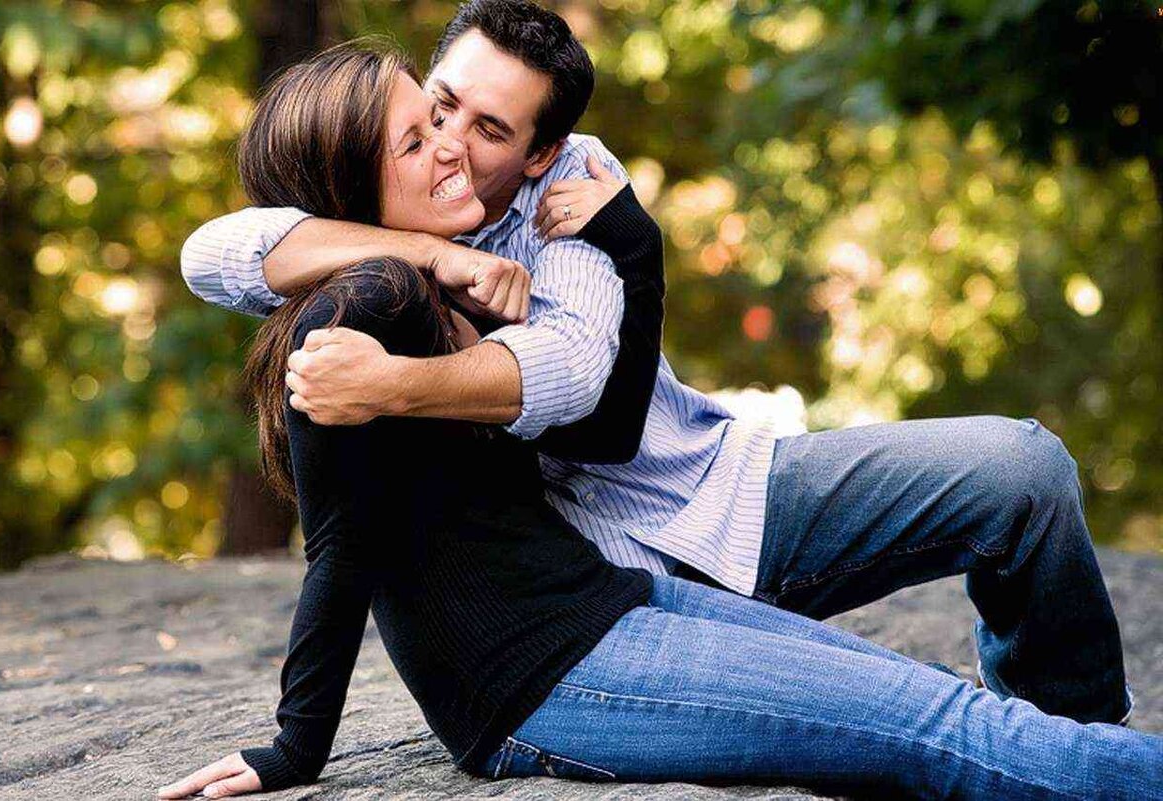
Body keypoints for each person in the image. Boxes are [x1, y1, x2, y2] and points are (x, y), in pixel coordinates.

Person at [158, 41, 1163, 801]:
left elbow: (573, 378)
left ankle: (1087, 757)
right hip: (544, 674)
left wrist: (413, 359)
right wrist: (293, 747)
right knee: (945, 728)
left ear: (542, 145)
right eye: (425, 127)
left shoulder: (561, 195)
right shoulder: (366, 302)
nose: (453, 145)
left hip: (628, 586)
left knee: (957, 694)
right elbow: (338, 538)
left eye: (473, 127)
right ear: (347, 193)